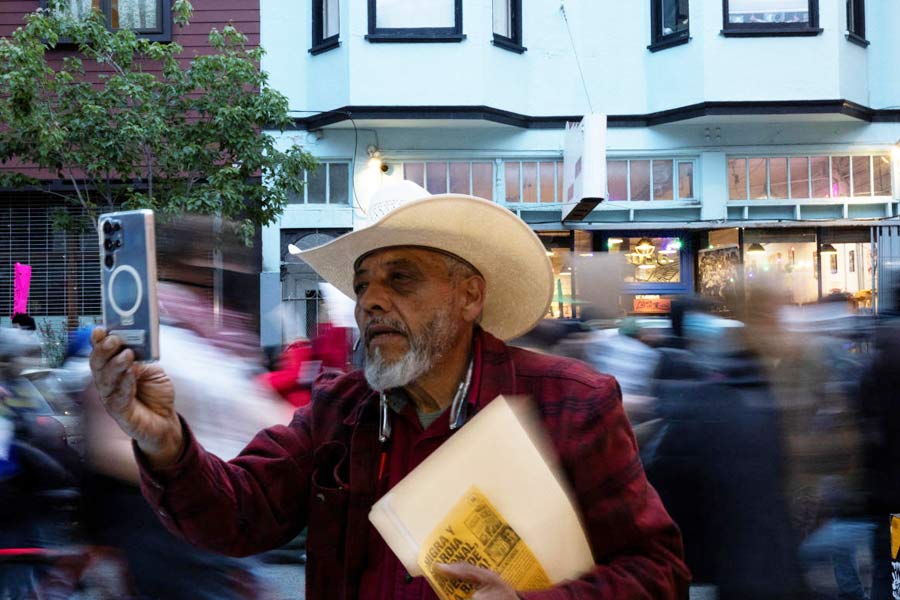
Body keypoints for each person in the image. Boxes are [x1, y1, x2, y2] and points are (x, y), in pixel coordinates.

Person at [89, 183, 690, 599]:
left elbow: (658, 574)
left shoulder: (572, 403)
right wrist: (167, 446)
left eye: (401, 278)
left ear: (468, 296)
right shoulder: (340, 411)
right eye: (363, 285)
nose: (372, 301)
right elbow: (238, 516)